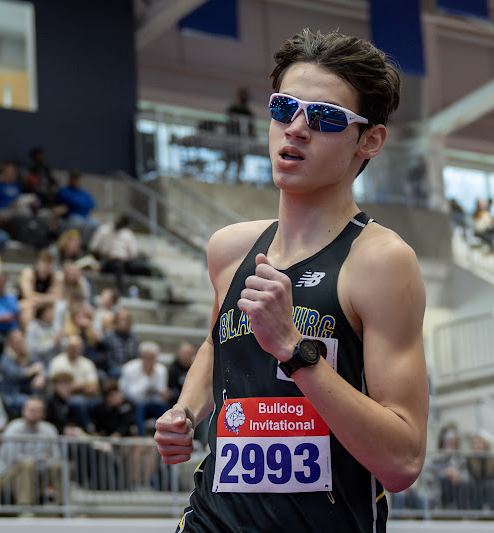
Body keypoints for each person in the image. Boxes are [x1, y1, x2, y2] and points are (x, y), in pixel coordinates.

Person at [154, 29, 429, 533]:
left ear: (369, 140)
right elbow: (218, 344)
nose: (296, 129)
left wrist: (294, 350)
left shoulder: (381, 262)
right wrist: (186, 410)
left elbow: (403, 461)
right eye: (284, 109)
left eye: (325, 117)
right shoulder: (229, 250)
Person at [0, 396, 61, 506]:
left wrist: (40, 461)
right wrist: (40, 457)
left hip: (39, 474)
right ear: (23, 411)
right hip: (8, 476)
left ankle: (65, 508)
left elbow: (55, 456)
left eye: (38, 410)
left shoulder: (49, 429)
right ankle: (25, 508)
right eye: (31, 410)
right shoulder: (14, 428)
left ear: (43, 413)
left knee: (59, 466)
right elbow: (13, 458)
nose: (34, 413)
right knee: (25, 465)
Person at [120, 340, 169, 436]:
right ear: (141, 357)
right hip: (132, 403)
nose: (151, 361)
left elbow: (162, 394)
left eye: (153, 358)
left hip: (152, 403)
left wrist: (163, 394)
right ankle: (141, 436)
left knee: (164, 408)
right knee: (140, 407)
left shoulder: (161, 370)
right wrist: (147, 376)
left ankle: (164, 436)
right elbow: (132, 394)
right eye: (148, 358)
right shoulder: (129, 368)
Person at [0, 327, 45, 419]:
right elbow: (16, 374)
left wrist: (41, 376)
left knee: (43, 401)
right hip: (11, 394)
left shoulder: (29, 354)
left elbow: (41, 366)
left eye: (21, 340)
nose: (20, 343)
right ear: (10, 343)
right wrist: (32, 370)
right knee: (31, 404)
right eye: (17, 341)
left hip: (29, 392)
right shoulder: (6, 358)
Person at [19, 250, 62, 329]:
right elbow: (28, 296)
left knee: (51, 310)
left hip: (40, 305)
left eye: (49, 264)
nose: (46, 267)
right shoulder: (29, 273)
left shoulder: (54, 277)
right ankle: (28, 334)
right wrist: (48, 297)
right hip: (24, 304)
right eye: (44, 263)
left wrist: (37, 298)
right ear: (38, 263)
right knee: (29, 307)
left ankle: (47, 335)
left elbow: (57, 298)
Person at [55, 169, 99, 245]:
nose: (75, 181)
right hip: (71, 217)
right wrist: (80, 204)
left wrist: (80, 204)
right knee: (81, 223)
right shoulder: (64, 191)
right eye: (74, 178)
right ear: (70, 179)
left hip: (85, 217)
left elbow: (92, 204)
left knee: (97, 225)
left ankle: (88, 245)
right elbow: (73, 202)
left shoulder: (83, 192)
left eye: (77, 179)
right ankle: (80, 245)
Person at [101, 308, 139, 378]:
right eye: (121, 320)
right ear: (115, 321)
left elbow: (136, 356)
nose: (123, 323)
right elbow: (107, 358)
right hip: (114, 368)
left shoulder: (133, 336)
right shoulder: (109, 336)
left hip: (131, 368)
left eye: (126, 320)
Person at [168, 341, 196, 407]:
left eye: (188, 354)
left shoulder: (196, 369)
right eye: (184, 354)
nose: (185, 357)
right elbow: (169, 390)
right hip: (175, 401)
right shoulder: (172, 369)